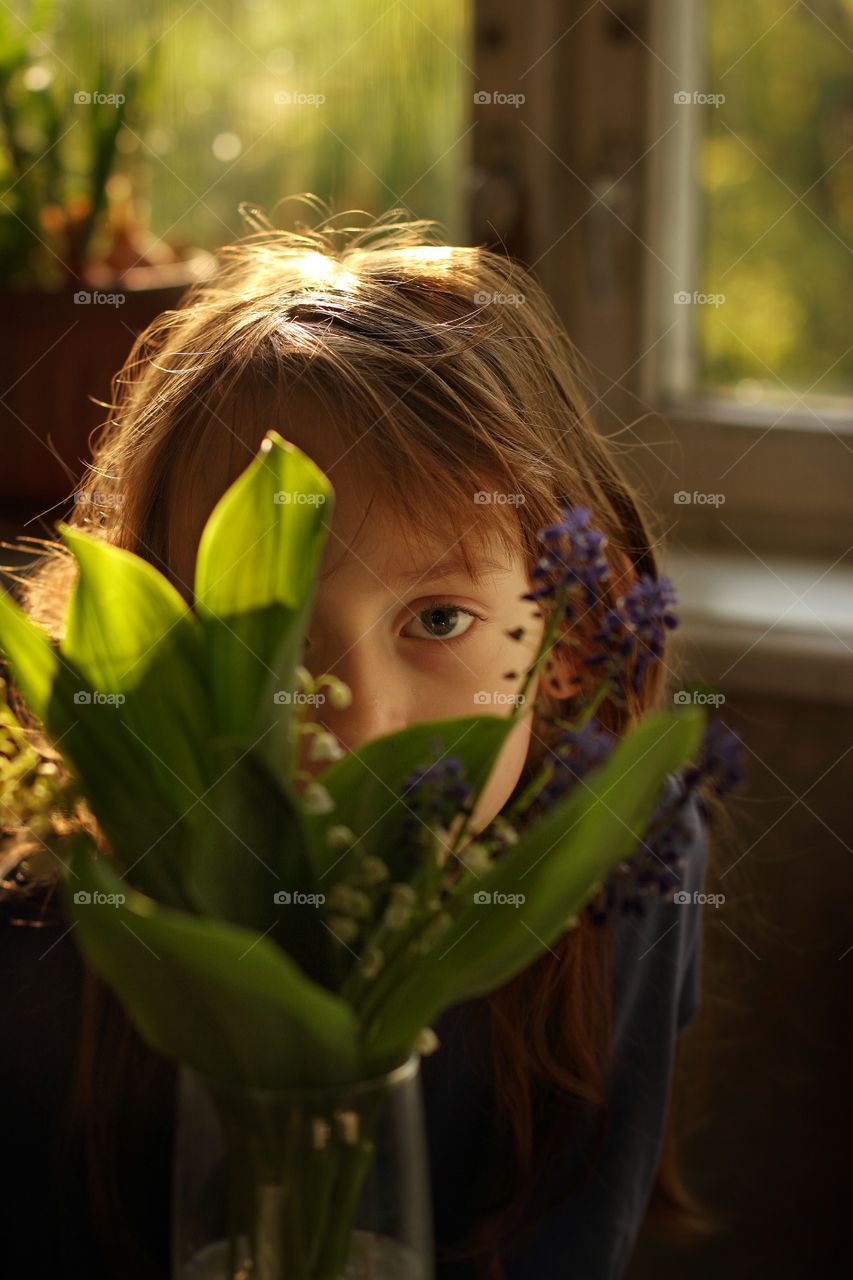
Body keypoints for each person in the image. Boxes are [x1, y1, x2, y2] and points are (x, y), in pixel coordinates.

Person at [1, 200, 715, 1279]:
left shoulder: (628, 859)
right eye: (265, 637)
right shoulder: (55, 921)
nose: (355, 718)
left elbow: (573, 1243)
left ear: (573, 637)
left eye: (439, 619)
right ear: (151, 657)